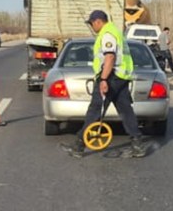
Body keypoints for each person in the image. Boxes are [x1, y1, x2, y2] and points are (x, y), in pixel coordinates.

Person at [61, 10, 145, 158]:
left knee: (95, 110)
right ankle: (137, 144)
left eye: (92, 23)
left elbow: (110, 57)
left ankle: (79, 145)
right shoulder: (115, 31)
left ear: (98, 21)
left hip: (111, 77)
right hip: (120, 77)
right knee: (126, 110)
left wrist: (104, 79)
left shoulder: (107, 34)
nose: (92, 27)